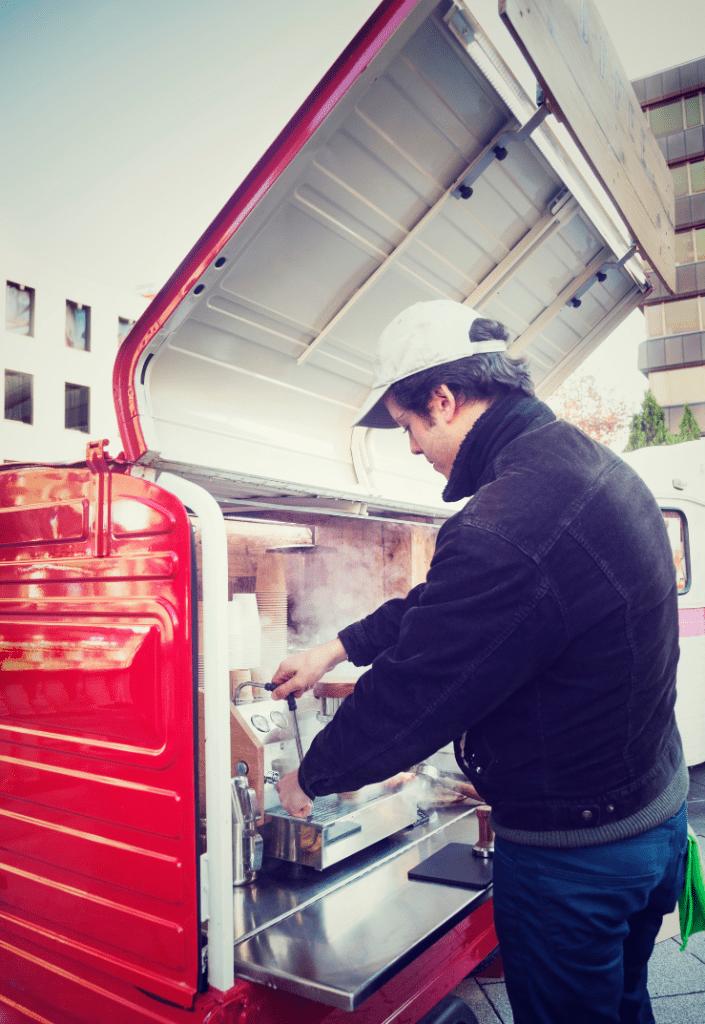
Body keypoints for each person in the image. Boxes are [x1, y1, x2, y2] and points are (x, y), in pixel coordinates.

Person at [273, 299, 688, 1024]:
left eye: (405, 426)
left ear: (443, 398)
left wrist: (312, 774)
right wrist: (335, 648)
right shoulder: (586, 468)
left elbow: (418, 695)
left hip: (576, 857)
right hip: (651, 818)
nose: (408, 448)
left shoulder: (511, 520)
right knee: (625, 1006)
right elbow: (447, 604)